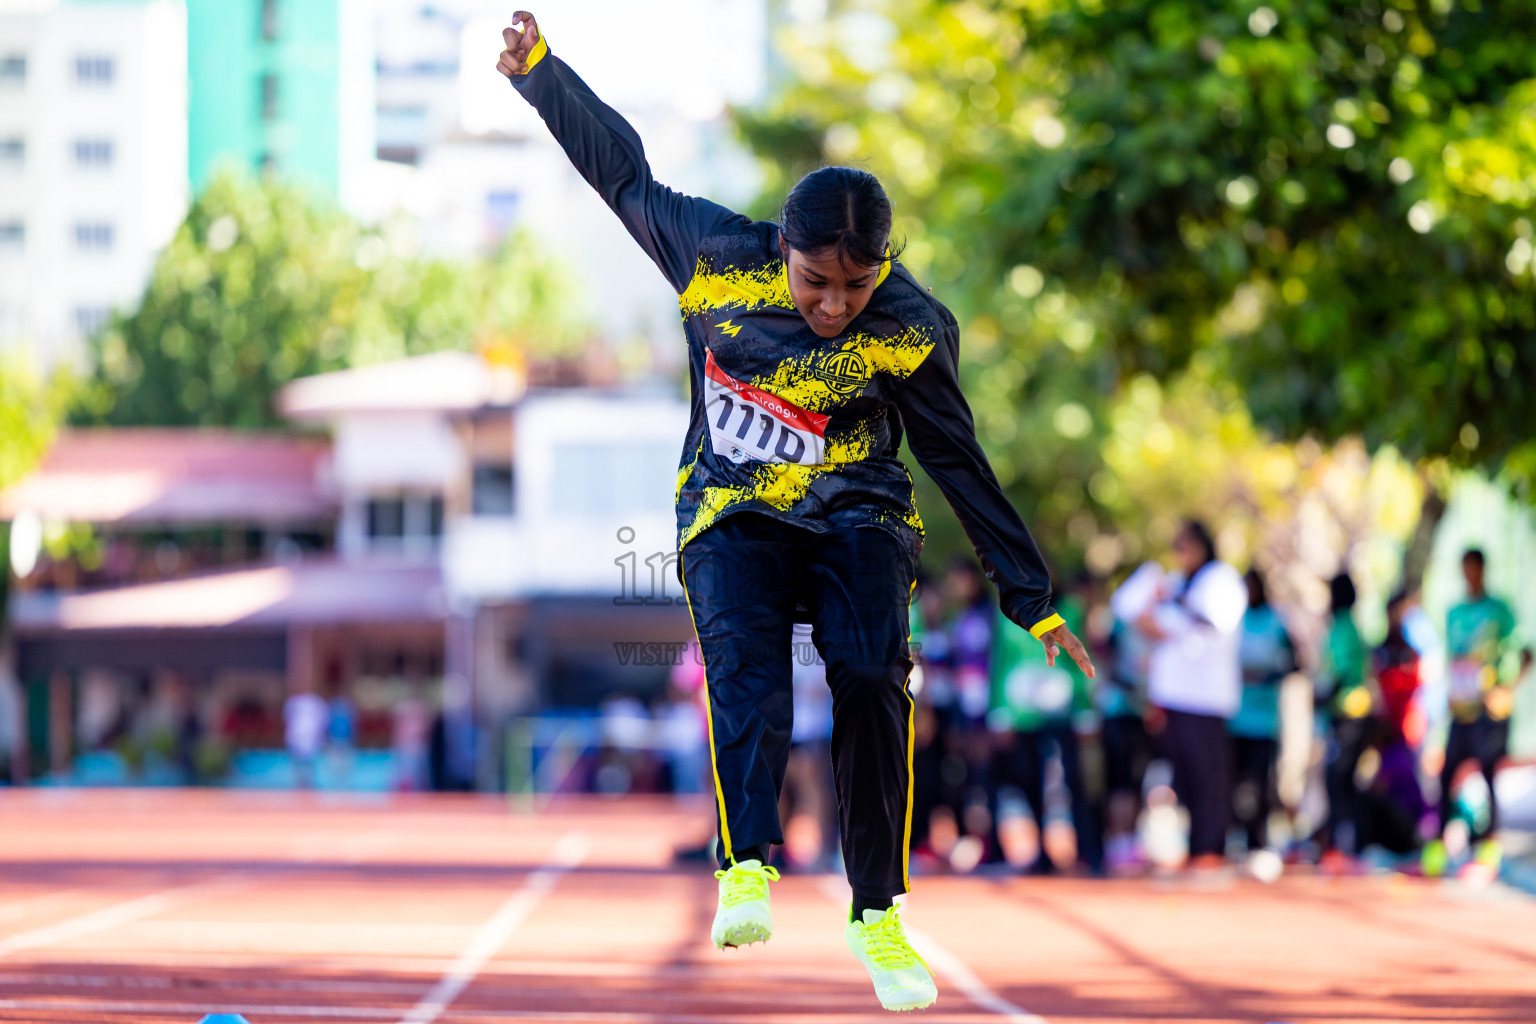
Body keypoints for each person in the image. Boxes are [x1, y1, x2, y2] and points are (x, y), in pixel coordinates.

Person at [497, 14, 1094, 1012]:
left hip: (859, 515)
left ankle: (879, 911)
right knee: (747, 666)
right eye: (817, 280)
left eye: (856, 285)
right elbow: (626, 177)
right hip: (731, 509)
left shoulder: (908, 328)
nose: (833, 304)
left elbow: (955, 455)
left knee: (869, 671)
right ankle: (746, 862)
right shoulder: (715, 256)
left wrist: (1028, 594)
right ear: (785, 248)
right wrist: (544, 75)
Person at [1131, 520, 1246, 870]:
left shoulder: (1221, 580)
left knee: (1209, 775)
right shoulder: (1178, 582)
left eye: (1186, 545)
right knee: (1183, 775)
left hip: (1207, 697)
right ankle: (1195, 845)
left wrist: (1175, 601)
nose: (1181, 554)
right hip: (1175, 696)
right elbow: (1150, 624)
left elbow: (1213, 622)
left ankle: (1211, 846)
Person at [988, 581, 1102, 875]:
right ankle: (1042, 855)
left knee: (1076, 780)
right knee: (1029, 779)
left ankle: (1090, 853)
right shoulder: (1006, 613)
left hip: (1064, 712)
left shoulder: (1072, 610)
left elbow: (1082, 655)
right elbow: (1000, 661)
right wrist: (999, 711)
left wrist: (1085, 709)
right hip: (1022, 715)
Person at [1424, 548, 1518, 876]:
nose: (1470, 574)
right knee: (1447, 774)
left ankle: (1488, 850)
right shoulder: (1453, 613)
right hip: (1460, 710)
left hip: (1488, 713)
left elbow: (1522, 652)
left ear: (1483, 569)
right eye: (1465, 568)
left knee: (1488, 774)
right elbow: (1451, 660)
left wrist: (1506, 689)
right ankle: (1437, 846)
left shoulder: (1500, 611)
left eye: (1474, 568)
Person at [1230, 569, 1295, 871]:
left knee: (1260, 781)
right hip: (1234, 718)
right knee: (1235, 782)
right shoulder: (1233, 621)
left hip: (1265, 720)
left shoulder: (1276, 622)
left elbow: (1294, 663)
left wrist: (1265, 675)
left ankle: (1259, 840)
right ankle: (1236, 838)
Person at [1314, 571, 1370, 864]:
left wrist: (1321, 696)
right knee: (1340, 780)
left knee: (1339, 779)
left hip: (1351, 714)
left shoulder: (1345, 627)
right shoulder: (1339, 626)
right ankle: (1342, 842)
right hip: (1341, 714)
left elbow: (1341, 672)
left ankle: (1345, 845)